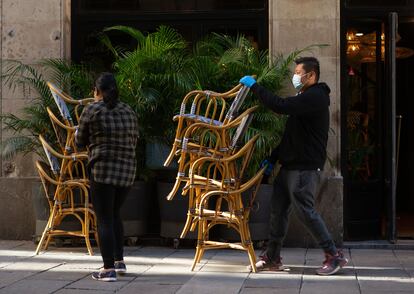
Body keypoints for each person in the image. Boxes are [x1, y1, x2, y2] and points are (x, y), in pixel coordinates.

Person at [239, 57, 348, 276]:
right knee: (278, 212)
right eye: (296, 71)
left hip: (304, 169)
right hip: (289, 167)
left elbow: (280, 106)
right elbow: (292, 136)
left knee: (305, 212)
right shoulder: (304, 97)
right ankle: (272, 257)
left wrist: (255, 87)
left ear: (312, 75)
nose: (295, 76)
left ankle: (333, 255)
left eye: (299, 72)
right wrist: (273, 158)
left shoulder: (316, 97)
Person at [76, 72, 138, 282]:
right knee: (114, 214)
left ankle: (108, 269)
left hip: (102, 170)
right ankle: (119, 261)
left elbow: (79, 140)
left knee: (103, 219)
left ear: (97, 91)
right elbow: (135, 139)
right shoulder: (128, 110)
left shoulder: (92, 109)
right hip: (127, 172)